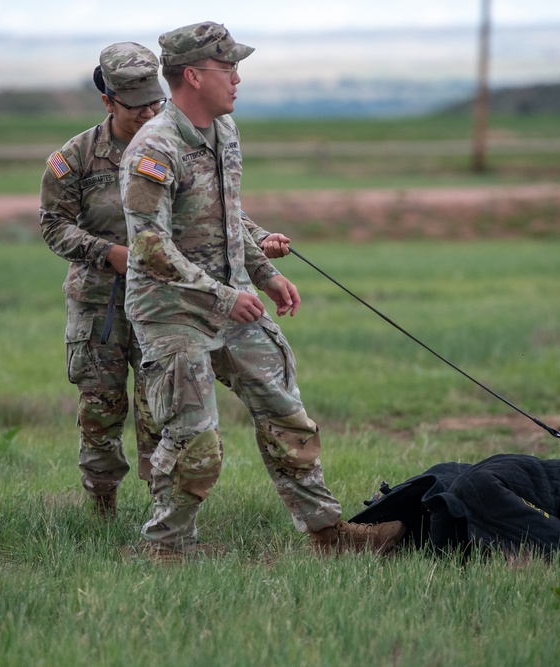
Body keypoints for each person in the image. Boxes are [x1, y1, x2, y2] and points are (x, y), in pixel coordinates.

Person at [120, 21, 405, 559]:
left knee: (286, 411)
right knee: (195, 443)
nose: (237, 79)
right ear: (193, 76)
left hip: (232, 300)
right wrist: (226, 296)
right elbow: (150, 249)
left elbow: (227, 218)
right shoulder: (153, 150)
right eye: (228, 68)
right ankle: (167, 548)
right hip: (172, 311)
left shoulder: (224, 132)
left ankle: (328, 535)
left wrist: (265, 273)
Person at [39, 42, 290, 520]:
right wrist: (109, 254)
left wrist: (259, 242)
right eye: (135, 107)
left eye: (154, 102)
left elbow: (216, 211)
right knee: (102, 409)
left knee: (161, 412)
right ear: (108, 102)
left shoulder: (174, 140)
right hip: (101, 309)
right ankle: (102, 506)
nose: (148, 112)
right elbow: (53, 225)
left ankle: (163, 511)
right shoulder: (73, 159)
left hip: (165, 301)